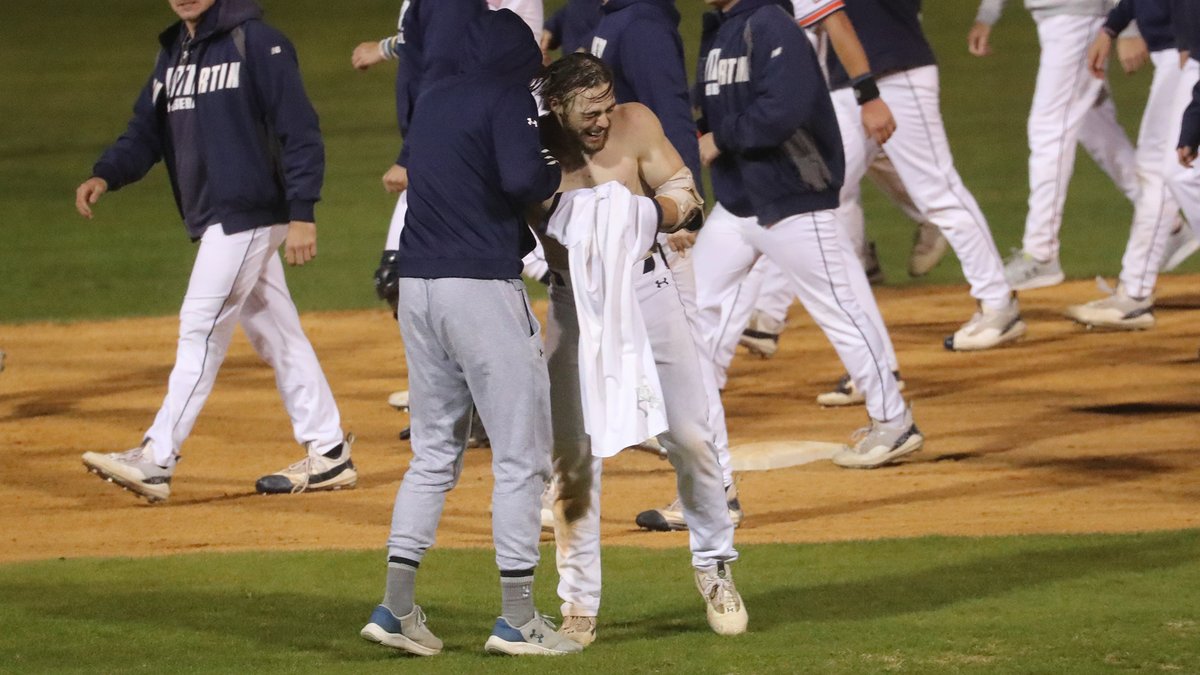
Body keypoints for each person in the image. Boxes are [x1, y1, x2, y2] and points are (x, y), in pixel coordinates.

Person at [357, 9, 580, 658]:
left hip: (418, 290)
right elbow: (523, 180)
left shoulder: (432, 99)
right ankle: (518, 618)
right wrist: (552, 159)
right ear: (515, 56)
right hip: (478, 288)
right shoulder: (505, 96)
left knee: (432, 455)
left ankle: (396, 608)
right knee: (520, 455)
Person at [74, 0, 353, 503]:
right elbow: (146, 130)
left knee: (201, 327)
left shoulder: (259, 43)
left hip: (248, 213)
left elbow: (300, 130)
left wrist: (302, 212)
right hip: (221, 217)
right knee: (277, 332)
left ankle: (158, 457)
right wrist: (106, 173)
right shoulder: (176, 54)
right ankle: (329, 451)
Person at [533, 53, 746, 645]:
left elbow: (684, 191)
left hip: (650, 290)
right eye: (589, 113)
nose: (603, 121)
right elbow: (525, 229)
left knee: (692, 436)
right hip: (575, 304)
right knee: (572, 460)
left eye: (607, 105)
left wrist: (649, 212)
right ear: (556, 108)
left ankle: (714, 565)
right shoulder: (533, 150)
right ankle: (578, 602)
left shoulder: (636, 121)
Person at [693, 0, 922, 470]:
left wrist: (720, 139)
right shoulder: (719, 32)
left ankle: (895, 422)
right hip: (739, 203)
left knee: (838, 309)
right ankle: (691, 419)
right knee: (695, 306)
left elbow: (784, 106)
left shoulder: (773, 24)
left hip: (794, 196)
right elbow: (707, 110)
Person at [969, 0, 1142, 291]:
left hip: (1078, 18)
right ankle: (1166, 220)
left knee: (1048, 129)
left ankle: (1041, 253)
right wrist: (987, 14)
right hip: (1058, 19)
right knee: (1095, 127)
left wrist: (1128, 28)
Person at [1067, 0, 1194, 329]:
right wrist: (1111, 28)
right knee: (1162, 172)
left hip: (1185, 55)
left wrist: (1188, 42)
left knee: (1173, 171)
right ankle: (1134, 293)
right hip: (1178, 55)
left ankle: (1135, 293)